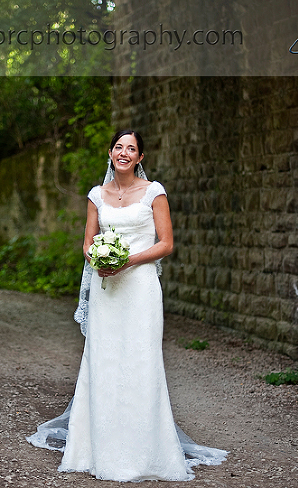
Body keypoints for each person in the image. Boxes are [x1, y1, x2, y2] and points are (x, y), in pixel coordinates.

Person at [27, 130, 227, 482]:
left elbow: (166, 243)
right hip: (106, 289)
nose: (124, 152)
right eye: (119, 147)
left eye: (131, 148)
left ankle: (144, 453)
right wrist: (98, 259)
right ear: (110, 153)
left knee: (140, 360)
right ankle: (94, 450)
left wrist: (127, 261)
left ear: (140, 158)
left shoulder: (154, 192)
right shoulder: (96, 195)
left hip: (141, 289)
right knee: (103, 360)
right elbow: (87, 243)